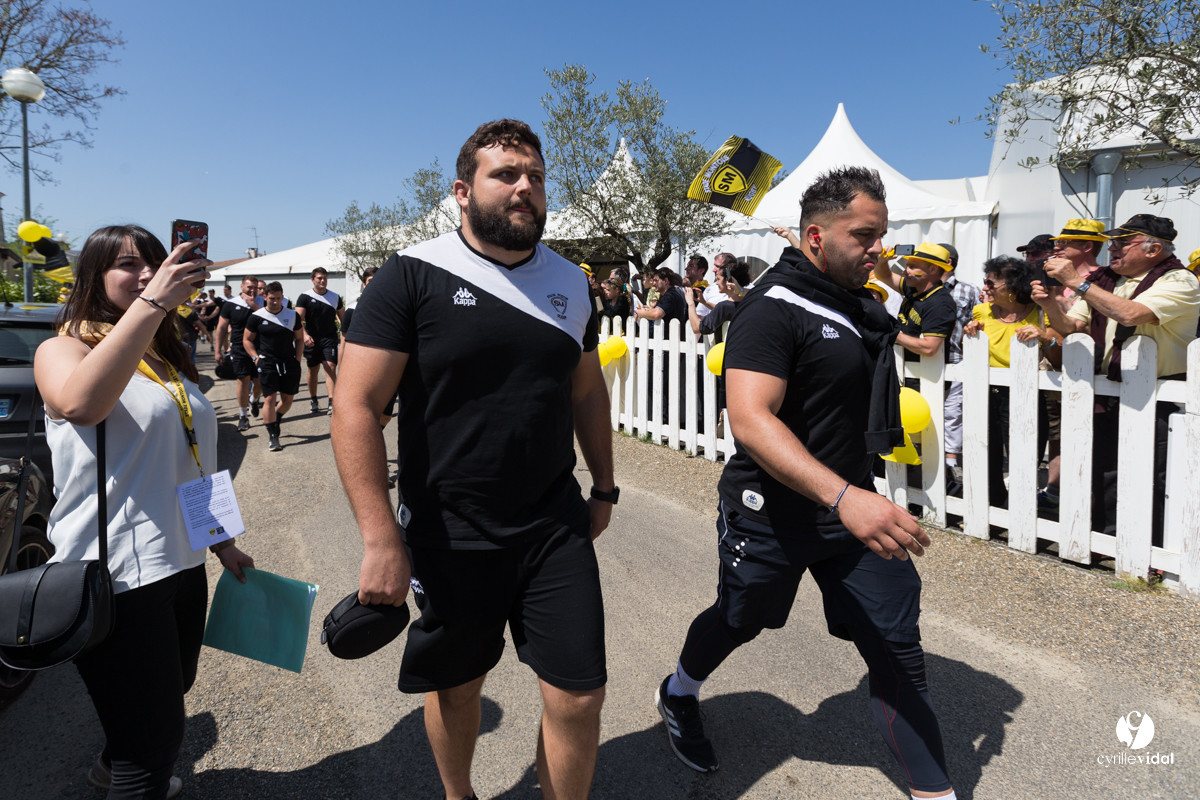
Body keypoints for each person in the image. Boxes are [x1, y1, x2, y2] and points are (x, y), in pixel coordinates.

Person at [332, 119, 616, 800]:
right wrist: (380, 538)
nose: (526, 188)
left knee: (579, 697)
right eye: (507, 175)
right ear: (463, 191)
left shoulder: (573, 284)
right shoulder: (412, 274)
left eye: (537, 177)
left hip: (552, 524)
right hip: (448, 530)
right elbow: (355, 407)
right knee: (458, 690)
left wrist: (603, 487)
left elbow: (586, 390)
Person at [655, 167, 954, 799]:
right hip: (775, 512)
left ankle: (935, 791)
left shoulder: (860, 305)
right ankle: (678, 692)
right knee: (740, 618)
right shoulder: (772, 308)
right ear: (816, 237)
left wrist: (853, 497)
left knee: (897, 650)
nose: (880, 249)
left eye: (883, 234)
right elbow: (750, 419)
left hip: (853, 513)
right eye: (864, 235)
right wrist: (844, 496)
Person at [33, 224, 253, 799]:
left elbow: (194, 455)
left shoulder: (164, 354)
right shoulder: (63, 348)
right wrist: (155, 304)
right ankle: (128, 771)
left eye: (155, 263)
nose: (147, 275)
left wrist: (223, 539)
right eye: (129, 265)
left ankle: (112, 764)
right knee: (154, 745)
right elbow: (81, 402)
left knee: (169, 691)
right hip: (115, 573)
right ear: (95, 276)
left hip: (179, 562)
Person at [1035, 214, 1200, 543]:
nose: (1113, 248)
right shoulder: (1107, 280)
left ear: (1154, 248)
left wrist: (1079, 283)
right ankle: (1105, 541)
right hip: (1111, 390)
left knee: (1152, 476)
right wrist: (1051, 305)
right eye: (1113, 242)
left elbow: (1131, 313)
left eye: (1124, 242)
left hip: (1159, 395)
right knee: (1103, 470)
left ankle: (1147, 549)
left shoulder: (1179, 280)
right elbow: (1072, 328)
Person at [963, 256, 1054, 508]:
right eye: (985, 282)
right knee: (985, 451)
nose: (985, 288)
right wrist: (970, 333)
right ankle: (992, 506)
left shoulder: (1039, 313)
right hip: (985, 391)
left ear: (1013, 285)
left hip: (1024, 392)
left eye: (991, 283)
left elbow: (1058, 352)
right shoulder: (981, 311)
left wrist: (1045, 337)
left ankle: (1021, 508)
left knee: (1025, 454)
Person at [1034, 219, 1107, 514]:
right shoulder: (1055, 276)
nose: (1057, 247)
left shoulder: (1103, 280)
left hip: (1087, 371)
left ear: (1088, 246)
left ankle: (1087, 496)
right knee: (1057, 431)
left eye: (1066, 242)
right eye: (1057, 242)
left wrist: (1059, 304)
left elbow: (1086, 325)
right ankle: (1054, 490)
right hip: (1052, 366)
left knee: (1087, 434)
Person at [937, 244, 979, 495]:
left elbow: (977, 319)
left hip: (956, 357)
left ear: (948, 262)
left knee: (953, 411)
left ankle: (951, 461)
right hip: (926, 357)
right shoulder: (921, 289)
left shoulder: (968, 290)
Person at [243, 281, 304, 452]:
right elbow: (246, 340)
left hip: (288, 362)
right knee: (269, 398)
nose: (275, 302)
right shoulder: (257, 316)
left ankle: (276, 417)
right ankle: (273, 435)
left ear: (282, 297)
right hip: (267, 362)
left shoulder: (292, 315)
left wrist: (297, 360)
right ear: (265, 297)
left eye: (278, 298)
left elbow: (299, 338)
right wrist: (255, 358)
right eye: (271, 299)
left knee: (287, 400)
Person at [873, 242, 957, 361]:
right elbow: (884, 275)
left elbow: (929, 348)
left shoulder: (941, 303)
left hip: (923, 376)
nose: (904, 271)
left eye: (912, 267)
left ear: (933, 269)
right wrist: (882, 261)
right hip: (905, 370)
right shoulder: (914, 289)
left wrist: (892, 333)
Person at [214, 275, 263, 430]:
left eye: (255, 287)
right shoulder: (230, 305)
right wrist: (218, 351)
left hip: (261, 348)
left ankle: (254, 400)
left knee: (260, 381)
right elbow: (221, 328)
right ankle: (243, 415)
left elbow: (272, 320)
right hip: (239, 348)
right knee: (243, 380)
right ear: (241, 287)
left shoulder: (263, 303)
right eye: (249, 287)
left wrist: (253, 305)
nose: (252, 290)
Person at [296, 267, 344, 415]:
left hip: (329, 338)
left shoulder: (335, 297)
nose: (322, 281)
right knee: (313, 370)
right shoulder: (304, 297)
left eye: (324, 278)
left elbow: (344, 319)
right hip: (311, 339)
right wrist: (304, 335)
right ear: (313, 280)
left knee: (330, 366)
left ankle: (331, 401)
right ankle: (314, 399)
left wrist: (346, 337)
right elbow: (298, 321)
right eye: (319, 278)